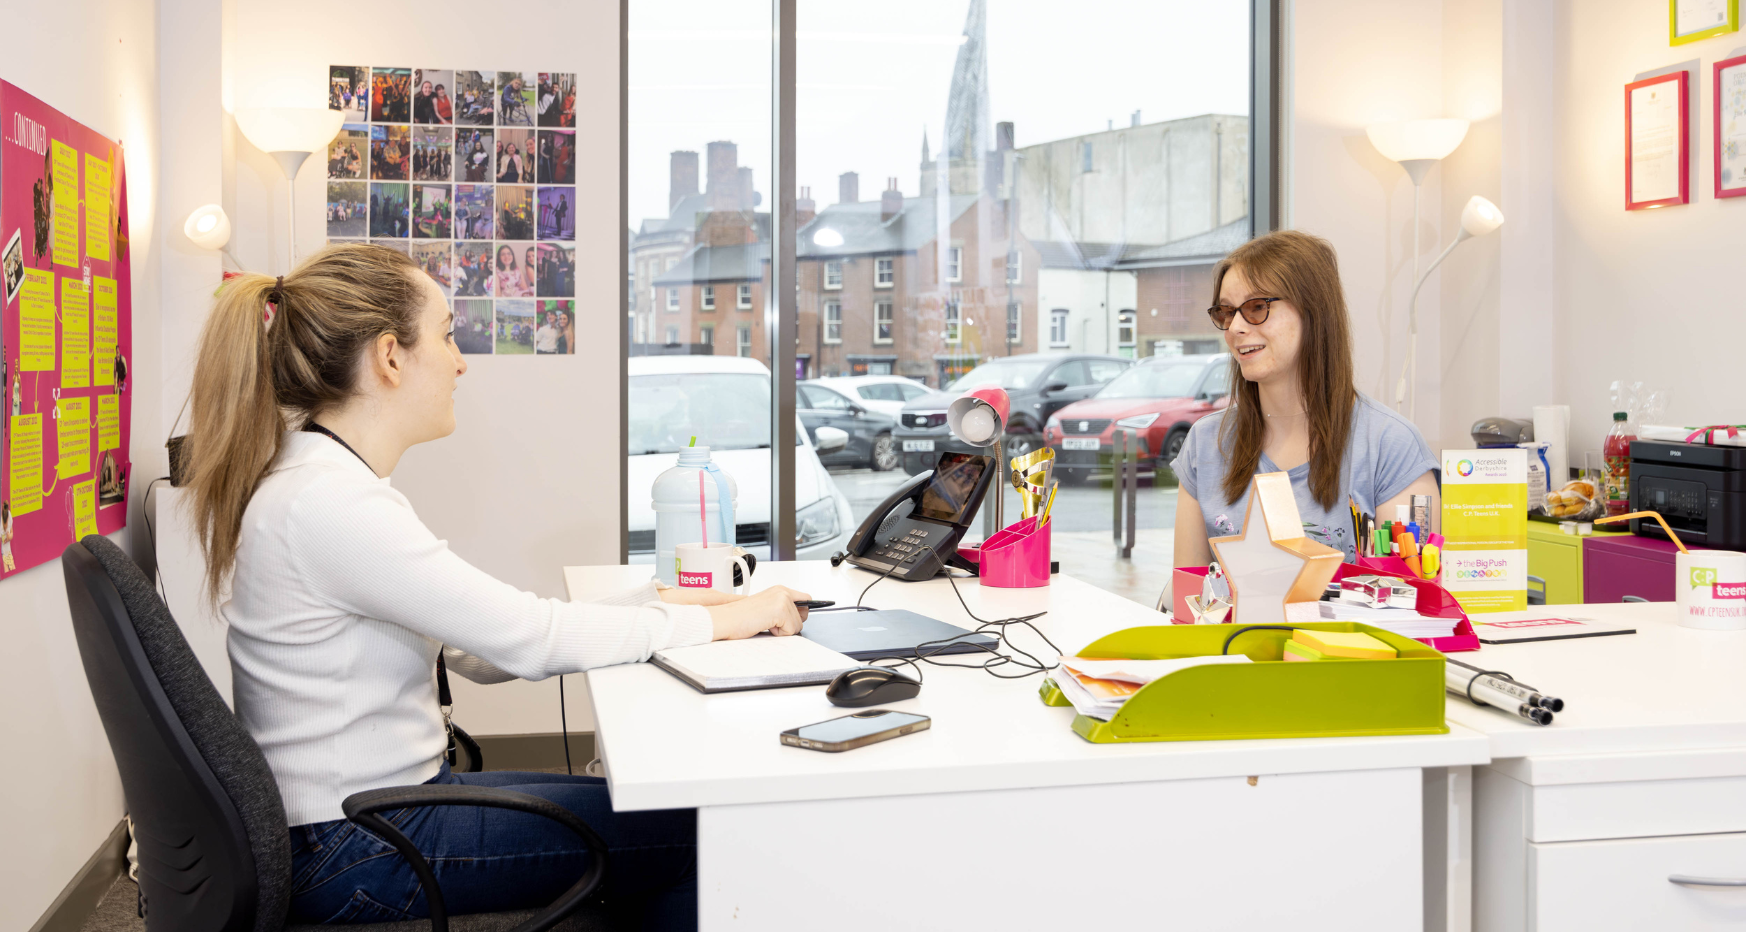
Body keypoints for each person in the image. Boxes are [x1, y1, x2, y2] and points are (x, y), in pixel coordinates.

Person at [182, 244, 811, 930]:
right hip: (362, 848)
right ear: (391, 358)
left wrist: (662, 604)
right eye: (448, 335)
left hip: (361, 821)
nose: (460, 361)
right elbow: (529, 642)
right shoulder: (330, 505)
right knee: (695, 827)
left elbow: (477, 652)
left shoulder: (323, 486)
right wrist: (729, 621)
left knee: (638, 799)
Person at [1171, 230, 1439, 568]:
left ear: (1313, 312)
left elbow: (1410, 602)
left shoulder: (1392, 445)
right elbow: (1187, 596)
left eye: (1256, 307)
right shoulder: (1205, 444)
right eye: (1226, 312)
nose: (1235, 327)